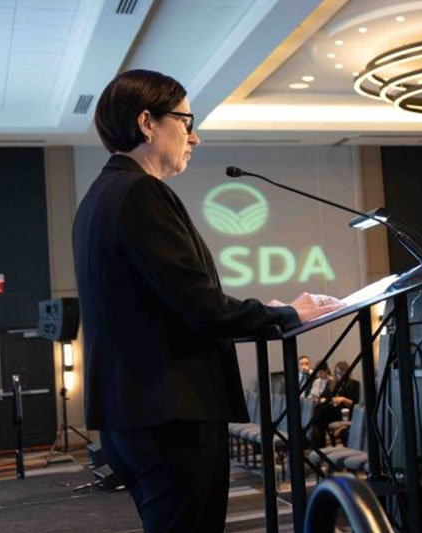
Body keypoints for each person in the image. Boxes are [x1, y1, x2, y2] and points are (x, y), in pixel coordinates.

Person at [73, 70, 345, 532]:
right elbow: (200, 307)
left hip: (133, 414)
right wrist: (288, 314)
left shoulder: (99, 197)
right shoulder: (141, 192)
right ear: (147, 122)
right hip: (172, 415)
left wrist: (267, 309)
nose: (194, 137)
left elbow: (165, 303)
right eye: (185, 120)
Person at [310, 361, 360, 447]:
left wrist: (342, 399)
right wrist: (322, 399)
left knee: (318, 415)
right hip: (332, 409)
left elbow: (354, 403)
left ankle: (319, 446)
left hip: (345, 411)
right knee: (318, 414)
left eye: (342, 372)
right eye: (337, 373)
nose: (339, 375)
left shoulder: (354, 384)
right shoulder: (333, 383)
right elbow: (325, 396)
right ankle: (319, 446)